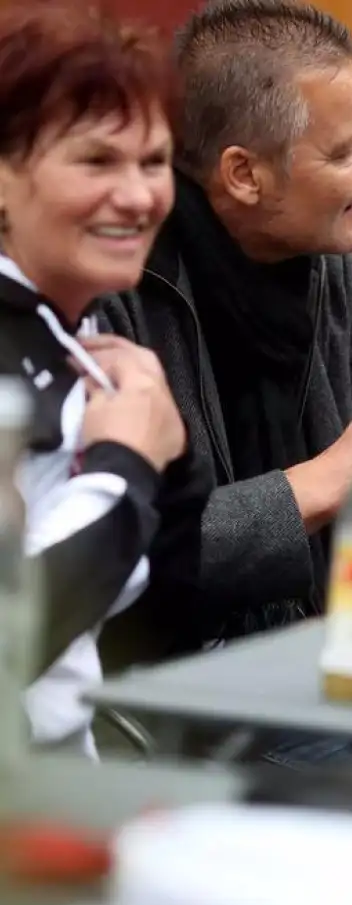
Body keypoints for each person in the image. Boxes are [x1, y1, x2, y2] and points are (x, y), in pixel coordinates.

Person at [100, 0, 352, 770]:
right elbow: (132, 562)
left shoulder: (324, 260)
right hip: (165, 679)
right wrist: (311, 487)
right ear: (243, 174)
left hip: (304, 650)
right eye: (346, 147)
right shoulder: (115, 287)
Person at [0, 0, 210, 755]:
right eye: (96, 160)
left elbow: (164, 599)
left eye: (152, 161)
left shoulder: (82, 331)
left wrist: (166, 458)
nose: (138, 196)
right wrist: (123, 468)